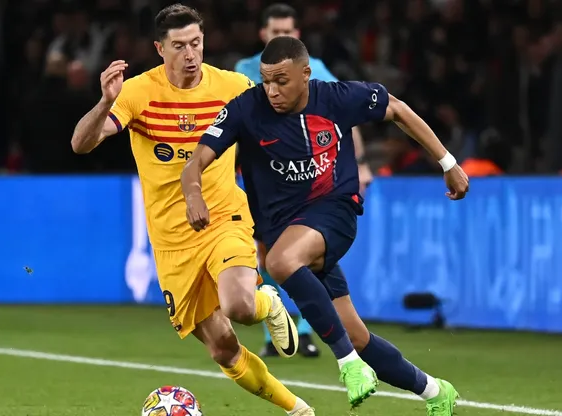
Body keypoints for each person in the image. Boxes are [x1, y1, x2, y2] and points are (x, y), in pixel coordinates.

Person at [183, 36, 467, 415]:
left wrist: (448, 163)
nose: (272, 91)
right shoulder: (246, 108)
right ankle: (434, 391)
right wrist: (193, 194)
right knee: (355, 333)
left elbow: (397, 109)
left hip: (334, 213)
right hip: (288, 232)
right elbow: (195, 162)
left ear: (305, 74)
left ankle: (348, 364)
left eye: (281, 81)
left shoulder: (337, 98)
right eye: (266, 81)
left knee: (279, 262)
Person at [70, 5, 314, 416]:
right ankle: (299, 410)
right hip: (171, 241)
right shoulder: (138, 93)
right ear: (160, 48)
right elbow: (81, 144)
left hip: (223, 218)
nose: (190, 54)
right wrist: (105, 102)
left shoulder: (233, 86)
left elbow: (280, 126)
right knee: (223, 349)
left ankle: (266, 303)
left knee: (239, 305)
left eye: (196, 43)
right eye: (179, 46)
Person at [235, 2, 372, 359]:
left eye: (287, 31)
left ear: (296, 34)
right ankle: (275, 330)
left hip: (306, 182)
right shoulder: (243, 71)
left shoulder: (317, 69)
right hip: (262, 182)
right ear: (263, 34)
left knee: (303, 257)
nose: (280, 36)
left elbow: (344, 114)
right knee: (267, 255)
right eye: (275, 31)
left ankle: (309, 331)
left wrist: (361, 163)